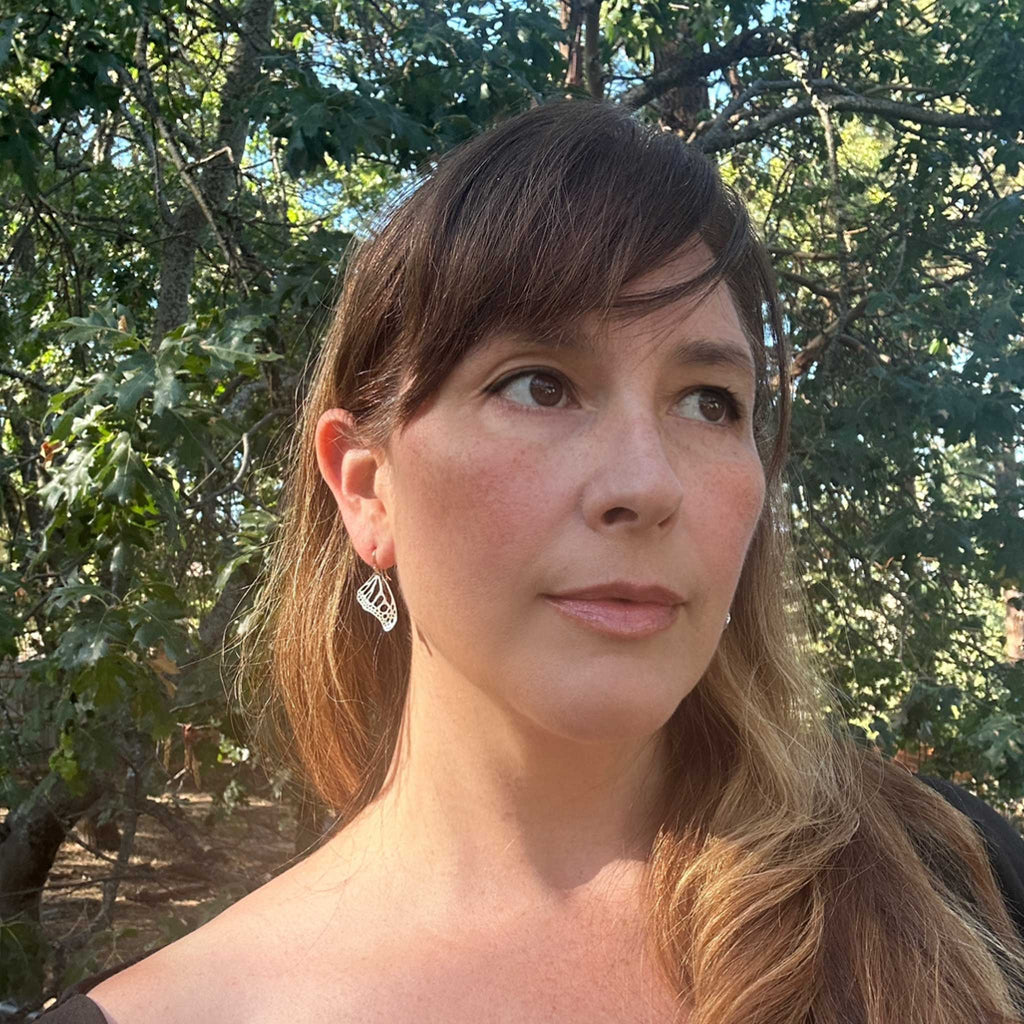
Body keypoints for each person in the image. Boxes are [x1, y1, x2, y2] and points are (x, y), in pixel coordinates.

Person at [37, 99, 1024, 1024]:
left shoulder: (952, 882)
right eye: (538, 385)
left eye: (707, 402)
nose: (647, 483)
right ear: (368, 490)